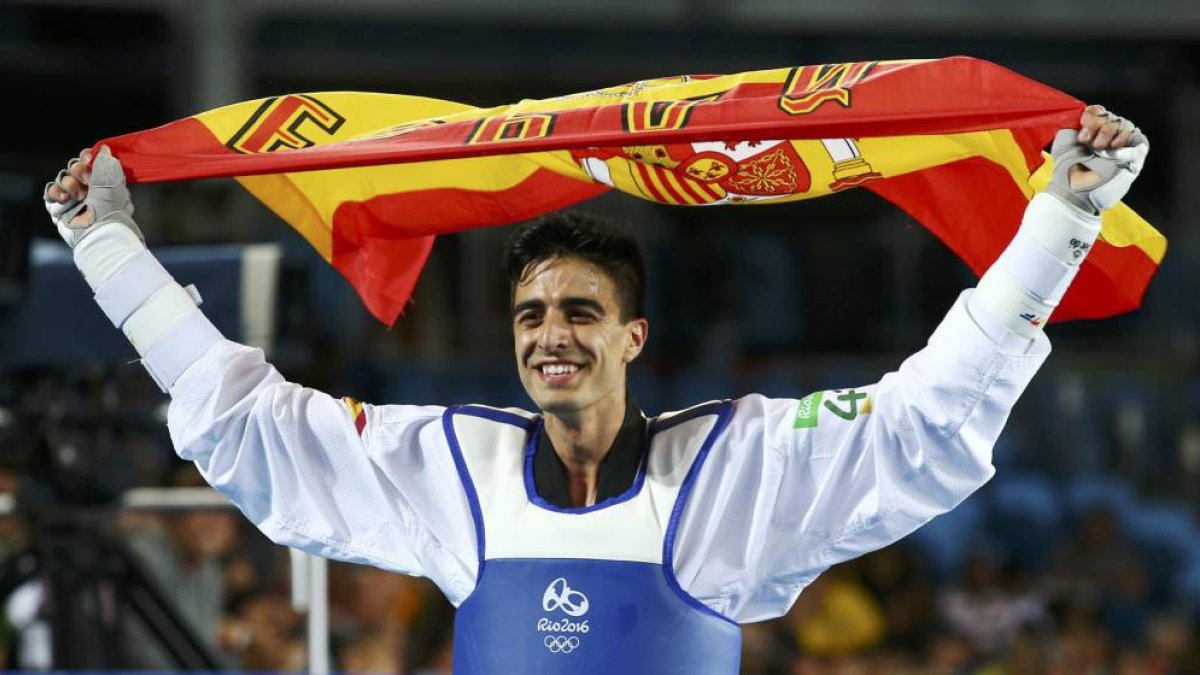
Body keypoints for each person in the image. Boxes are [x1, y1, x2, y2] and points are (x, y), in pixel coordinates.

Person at [42, 106, 1147, 673]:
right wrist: (108, 250)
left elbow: (924, 417)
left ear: (633, 336)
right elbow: (251, 422)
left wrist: (1062, 219)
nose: (550, 336)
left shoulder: (732, 470)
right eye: (530, 315)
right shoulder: (456, 466)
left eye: (578, 313)